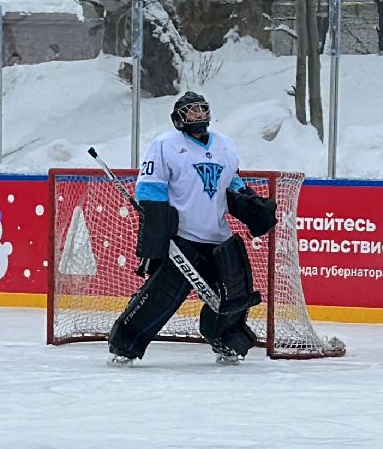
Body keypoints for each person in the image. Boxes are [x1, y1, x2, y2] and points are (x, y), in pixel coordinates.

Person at [107, 91, 277, 366]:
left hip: (218, 236)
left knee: (235, 294)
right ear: (179, 118)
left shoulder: (225, 145)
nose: (198, 115)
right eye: (191, 111)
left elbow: (232, 183)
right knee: (161, 296)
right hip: (183, 237)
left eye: (201, 109)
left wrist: (252, 204)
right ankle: (125, 344)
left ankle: (227, 341)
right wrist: (158, 232)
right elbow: (151, 188)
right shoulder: (165, 145)